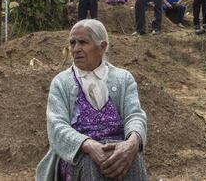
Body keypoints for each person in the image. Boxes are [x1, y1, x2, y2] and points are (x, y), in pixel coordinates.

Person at [36, 19, 148, 181]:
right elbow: (57, 126)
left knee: (132, 157)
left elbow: (134, 115)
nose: (75, 49)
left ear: (102, 47)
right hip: (79, 154)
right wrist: (88, 145)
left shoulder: (123, 79)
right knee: (90, 162)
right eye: (72, 43)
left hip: (117, 149)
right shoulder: (61, 82)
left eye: (83, 42)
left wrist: (131, 143)